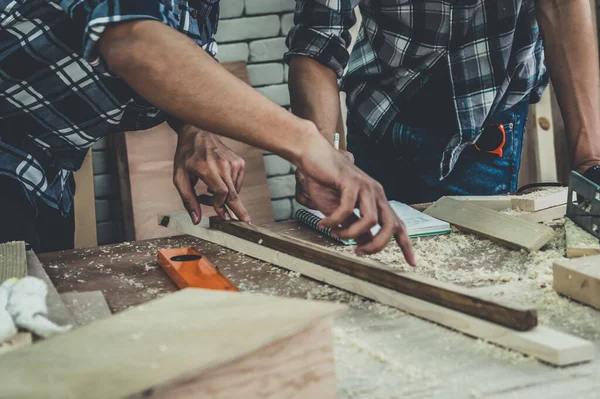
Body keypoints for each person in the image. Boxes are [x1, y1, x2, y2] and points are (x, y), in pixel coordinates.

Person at [0, 1, 414, 264]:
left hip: (44, 172)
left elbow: (184, 50)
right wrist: (307, 144)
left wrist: (194, 128)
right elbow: (132, 40)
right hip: (9, 155)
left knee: (40, 312)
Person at [286, 0, 600, 206]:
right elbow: (318, 37)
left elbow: (563, 5)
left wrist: (590, 159)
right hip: (379, 117)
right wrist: (327, 151)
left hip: (484, 133)